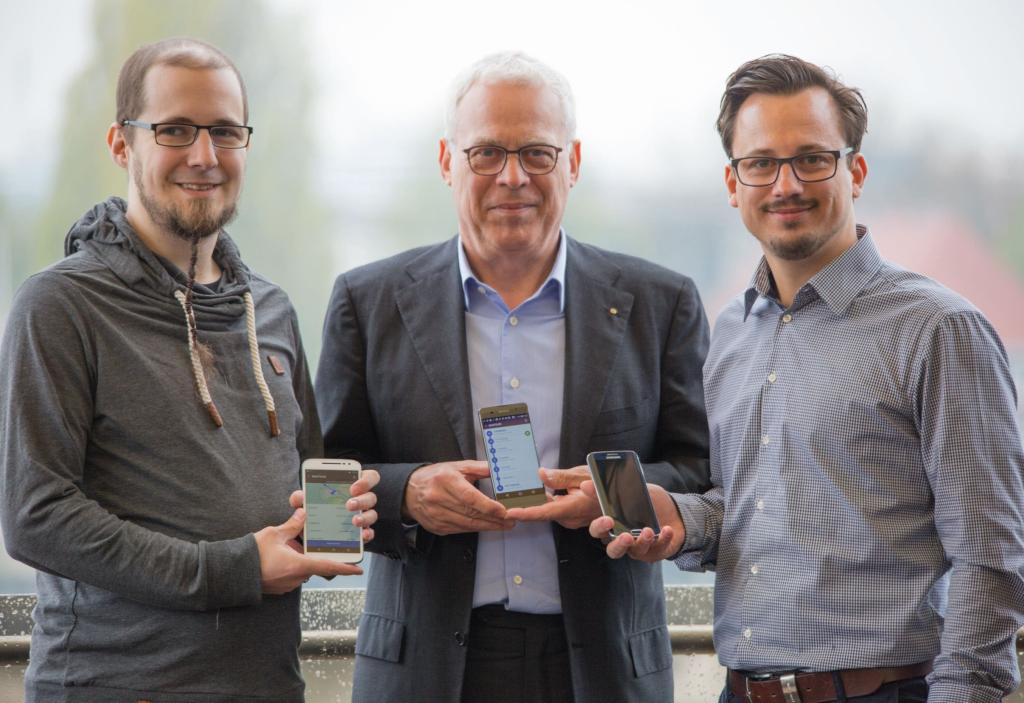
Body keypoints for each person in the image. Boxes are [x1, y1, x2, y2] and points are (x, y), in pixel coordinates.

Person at [589, 54, 1024, 703]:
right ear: (733, 183)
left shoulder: (938, 329)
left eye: (812, 159)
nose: (785, 182)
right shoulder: (733, 333)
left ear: (856, 169)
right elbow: (753, 509)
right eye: (760, 162)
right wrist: (682, 518)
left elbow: (990, 556)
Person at [314, 51, 710, 703]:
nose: (513, 176)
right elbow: (324, 475)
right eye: (487, 153)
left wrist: (616, 494)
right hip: (426, 668)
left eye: (537, 153)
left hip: (603, 667)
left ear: (573, 163)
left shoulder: (660, 302)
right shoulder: (368, 300)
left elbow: (699, 471)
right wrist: (408, 495)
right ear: (448, 162)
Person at [0, 37, 379, 702]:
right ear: (122, 144)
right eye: (175, 130)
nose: (205, 156)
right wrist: (235, 567)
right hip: (113, 686)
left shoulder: (272, 309)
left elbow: (302, 478)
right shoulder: (61, 305)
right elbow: (37, 515)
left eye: (226, 132)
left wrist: (335, 516)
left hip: (266, 685)